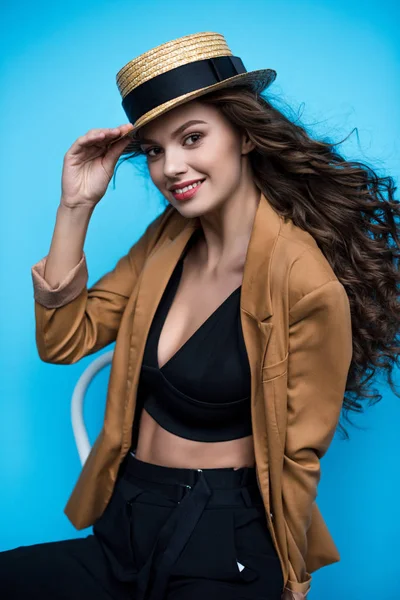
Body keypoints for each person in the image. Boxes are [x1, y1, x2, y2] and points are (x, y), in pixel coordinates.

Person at [1, 31, 399, 600]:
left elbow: (299, 453)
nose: (171, 167)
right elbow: (65, 340)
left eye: (192, 138)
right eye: (156, 150)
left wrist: (290, 576)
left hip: (223, 538)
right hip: (126, 519)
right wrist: (76, 206)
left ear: (243, 135)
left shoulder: (304, 282)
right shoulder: (167, 239)